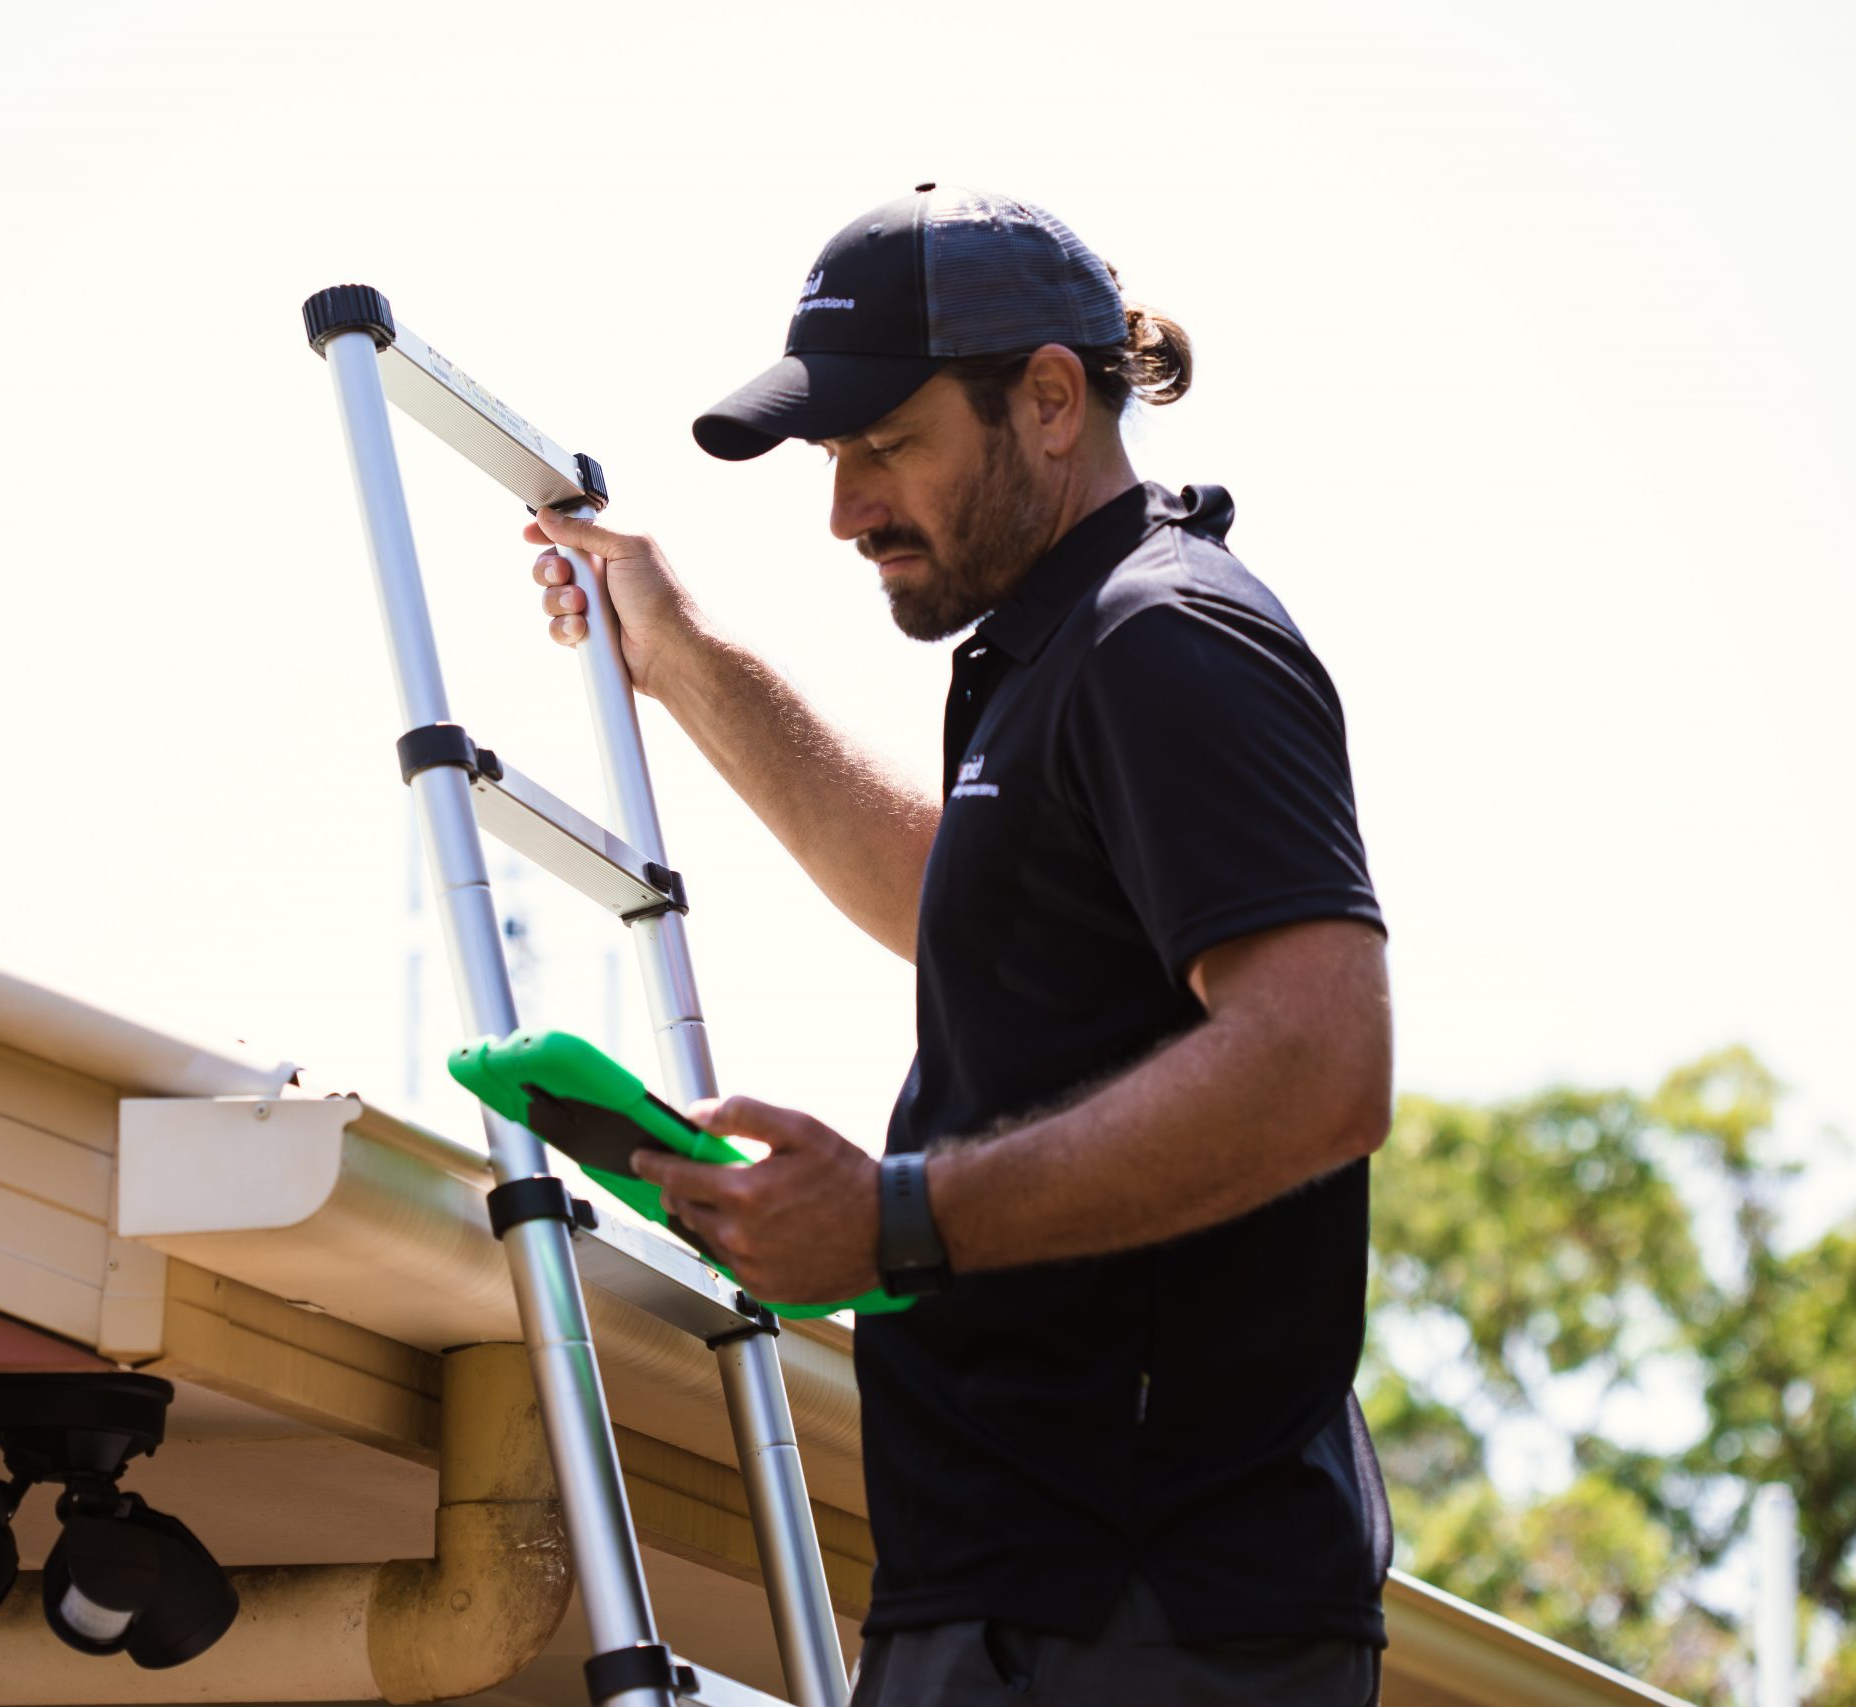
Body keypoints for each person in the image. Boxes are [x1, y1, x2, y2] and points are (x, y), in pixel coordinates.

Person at [524, 184, 1393, 1705]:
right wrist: (680, 657)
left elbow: (1323, 1061)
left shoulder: (1164, 637)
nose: (847, 508)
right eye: (835, 456)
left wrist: (897, 1221)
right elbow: (952, 901)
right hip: (1046, 1593)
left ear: (1051, 400)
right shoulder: (1066, 648)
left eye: (885, 445)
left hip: (1134, 1607)